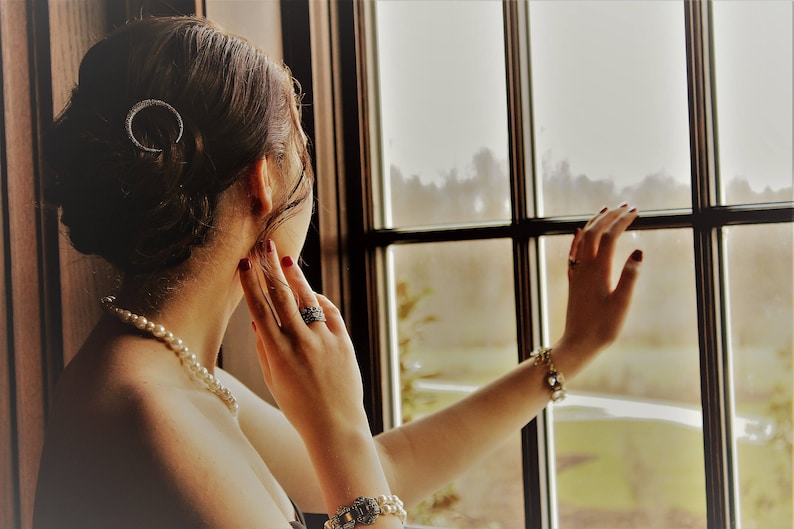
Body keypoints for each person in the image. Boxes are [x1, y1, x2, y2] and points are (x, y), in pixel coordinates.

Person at [32, 15, 642, 529]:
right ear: (264, 182)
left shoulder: (171, 371)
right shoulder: (148, 413)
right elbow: (360, 482)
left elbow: (380, 470)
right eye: (303, 147)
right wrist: (339, 421)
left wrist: (569, 353)